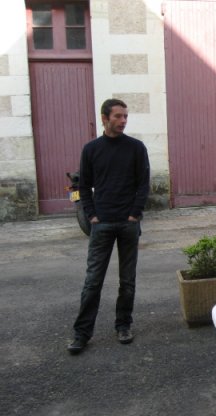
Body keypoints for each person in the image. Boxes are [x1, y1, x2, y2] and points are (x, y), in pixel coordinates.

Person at [67, 98, 150, 355]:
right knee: (93, 281)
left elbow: (143, 184)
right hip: (101, 224)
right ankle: (82, 333)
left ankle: (123, 325)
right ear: (104, 118)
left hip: (128, 224)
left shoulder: (136, 148)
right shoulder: (91, 149)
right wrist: (92, 215)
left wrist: (134, 214)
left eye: (125, 116)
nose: (123, 120)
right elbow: (84, 187)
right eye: (118, 116)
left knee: (127, 281)